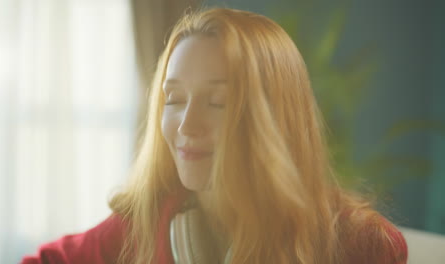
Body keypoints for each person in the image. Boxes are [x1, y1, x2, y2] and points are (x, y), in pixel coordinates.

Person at [21, 7, 408, 264]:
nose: (187, 125)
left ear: (273, 118)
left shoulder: (361, 246)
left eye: (218, 102)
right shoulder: (148, 220)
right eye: (173, 99)